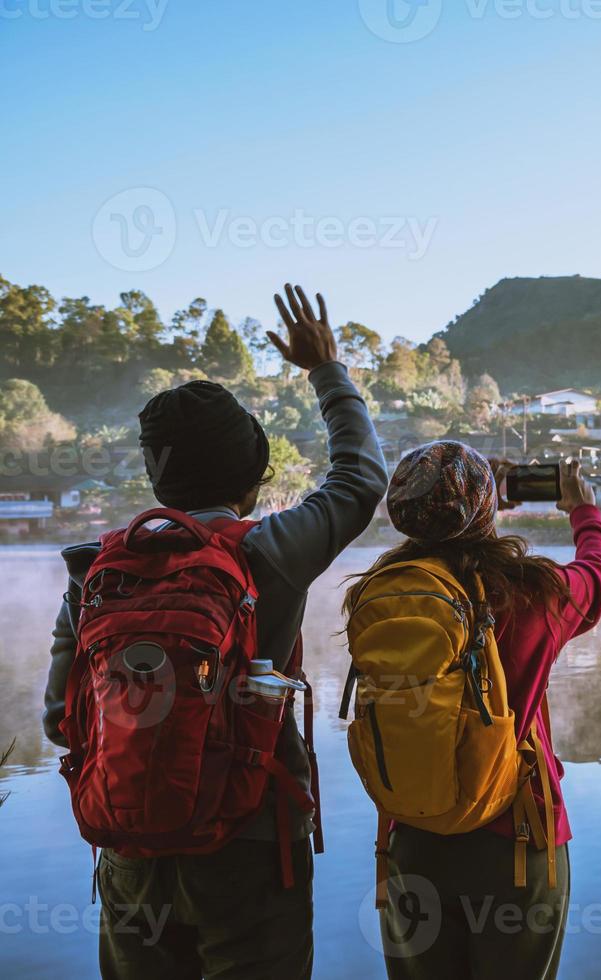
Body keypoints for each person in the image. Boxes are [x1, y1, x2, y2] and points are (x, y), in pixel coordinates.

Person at [41, 284, 389, 979]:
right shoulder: (269, 551)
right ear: (253, 474)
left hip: (130, 845)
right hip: (250, 846)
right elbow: (359, 478)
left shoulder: (98, 571)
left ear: (155, 475)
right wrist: (326, 368)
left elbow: (59, 721)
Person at [346, 442, 601, 979]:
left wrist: (479, 512)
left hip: (413, 840)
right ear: (483, 507)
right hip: (514, 846)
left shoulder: (378, 597)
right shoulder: (534, 593)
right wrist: (582, 509)